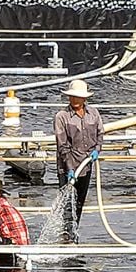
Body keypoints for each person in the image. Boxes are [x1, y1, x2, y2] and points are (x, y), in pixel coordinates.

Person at [54, 79, 104, 221]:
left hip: (86, 165)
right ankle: (67, 235)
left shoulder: (93, 114)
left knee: (79, 203)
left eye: (78, 97)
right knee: (68, 205)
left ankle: (74, 236)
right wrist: (70, 168)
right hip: (67, 168)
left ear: (84, 98)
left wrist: (97, 150)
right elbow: (62, 145)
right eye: (72, 96)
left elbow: (100, 133)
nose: (74, 99)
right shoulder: (61, 117)